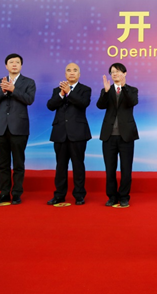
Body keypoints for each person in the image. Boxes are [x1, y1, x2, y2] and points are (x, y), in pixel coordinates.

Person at [0, 53, 36, 205]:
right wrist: (2, 91)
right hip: (1, 128)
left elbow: (29, 100)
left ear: (21, 65)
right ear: (6, 66)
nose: (14, 64)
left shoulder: (29, 82)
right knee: (3, 164)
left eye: (17, 62)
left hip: (19, 128)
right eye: (11, 62)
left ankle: (16, 194)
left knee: (18, 163)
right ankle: (4, 193)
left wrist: (13, 89)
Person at [46, 63, 92, 205]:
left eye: (75, 70)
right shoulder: (57, 90)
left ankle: (79, 195)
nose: (72, 73)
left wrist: (69, 92)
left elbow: (83, 103)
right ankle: (59, 195)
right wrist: (62, 94)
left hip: (78, 133)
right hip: (60, 133)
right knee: (60, 166)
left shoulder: (85, 89)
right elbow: (50, 105)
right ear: (65, 74)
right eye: (69, 70)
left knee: (78, 165)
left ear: (79, 74)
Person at [96, 63, 139, 208]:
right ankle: (112, 196)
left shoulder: (132, 90)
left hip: (126, 135)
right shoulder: (106, 90)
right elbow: (100, 105)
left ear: (125, 73)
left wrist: (123, 87)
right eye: (112, 72)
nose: (115, 74)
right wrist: (106, 92)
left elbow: (132, 102)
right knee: (110, 169)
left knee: (126, 169)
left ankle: (124, 197)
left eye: (118, 71)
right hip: (109, 136)